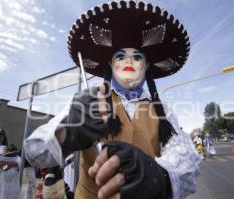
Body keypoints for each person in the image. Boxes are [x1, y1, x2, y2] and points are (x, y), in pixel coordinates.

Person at [25, 1, 201, 199]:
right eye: (120, 56)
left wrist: (157, 176)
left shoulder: (163, 110)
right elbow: (34, 152)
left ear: (146, 66)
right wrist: (68, 132)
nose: (128, 61)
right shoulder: (87, 102)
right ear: (110, 64)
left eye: (137, 57)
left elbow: (188, 158)